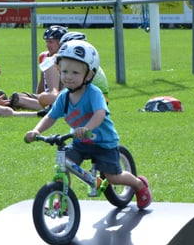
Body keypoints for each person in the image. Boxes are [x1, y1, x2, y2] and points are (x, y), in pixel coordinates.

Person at [23, 39, 151, 210]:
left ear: (89, 75)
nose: (68, 76)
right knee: (63, 164)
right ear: (58, 70)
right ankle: (63, 200)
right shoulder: (63, 97)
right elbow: (51, 116)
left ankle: (139, 184)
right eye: (65, 71)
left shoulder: (93, 93)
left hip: (103, 142)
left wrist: (87, 128)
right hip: (80, 143)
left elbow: (99, 113)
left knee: (113, 177)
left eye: (75, 73)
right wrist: (36, 130)